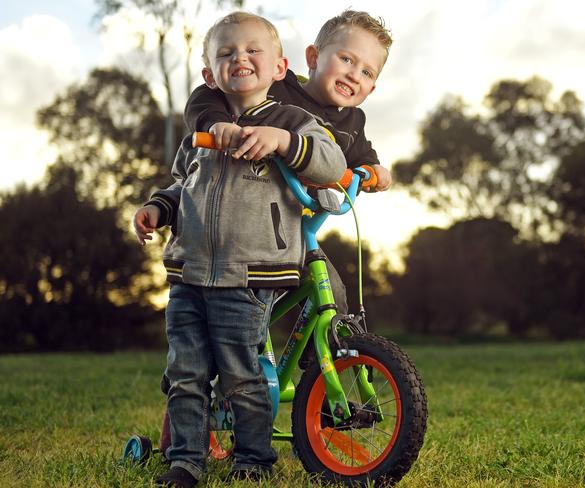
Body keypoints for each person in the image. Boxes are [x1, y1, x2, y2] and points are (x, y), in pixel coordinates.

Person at [133, 12, 346, 488]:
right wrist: (157, 208)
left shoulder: (294, 119)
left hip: (249, 276)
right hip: (187, 276)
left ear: (279, 67)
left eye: (253, 51)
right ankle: (186, 461)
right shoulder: (200, 133)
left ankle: (253, 459)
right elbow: (181, 186)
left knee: (242, 376)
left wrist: (284, 141)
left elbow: (332, 163)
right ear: (210, 74)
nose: (240, 58)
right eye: (226, 53)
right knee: (185, 375)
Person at [184, 9, 393, 321]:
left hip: (294, 228)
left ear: (372, 88)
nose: (354, 74)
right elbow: (208, 93)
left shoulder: (353, 122)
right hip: (247, 222)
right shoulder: (280, 88)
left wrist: (375, 171)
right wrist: (218, 123)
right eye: (347, 60)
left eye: (367, 72)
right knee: (241, 312)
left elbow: (361, 156)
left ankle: (322, 361)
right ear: (313, 57)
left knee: (330, 292)